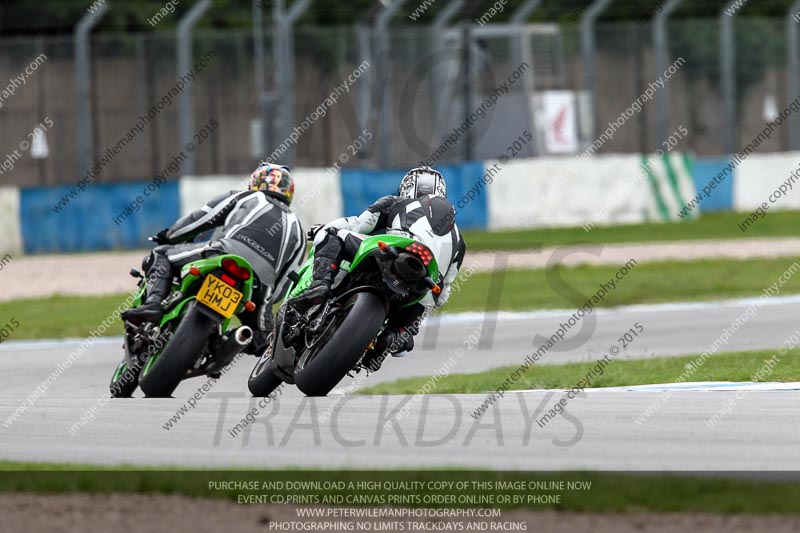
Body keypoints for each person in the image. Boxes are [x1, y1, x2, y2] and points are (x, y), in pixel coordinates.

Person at [121, 162, 307, 355]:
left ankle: (153, 305)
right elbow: (287, 281)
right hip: (261, 286)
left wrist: (171, 236)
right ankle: (229, 343)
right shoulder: (298, 230)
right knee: (262, 341)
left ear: (255, 182)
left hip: (225, 253)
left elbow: (201, 218)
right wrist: (268, 297)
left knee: (161, 254)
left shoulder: (247, 196)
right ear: (288, 191)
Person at [292, 166, 466, 371]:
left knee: (330, 234)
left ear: (407, 187)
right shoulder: (459, 242)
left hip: (392, 252)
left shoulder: (396, 202)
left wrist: (322, 228)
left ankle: (319, 286)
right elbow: (443, 293)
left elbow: (357, 225)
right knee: (415, 317)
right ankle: (393, 336)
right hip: (422, 285)